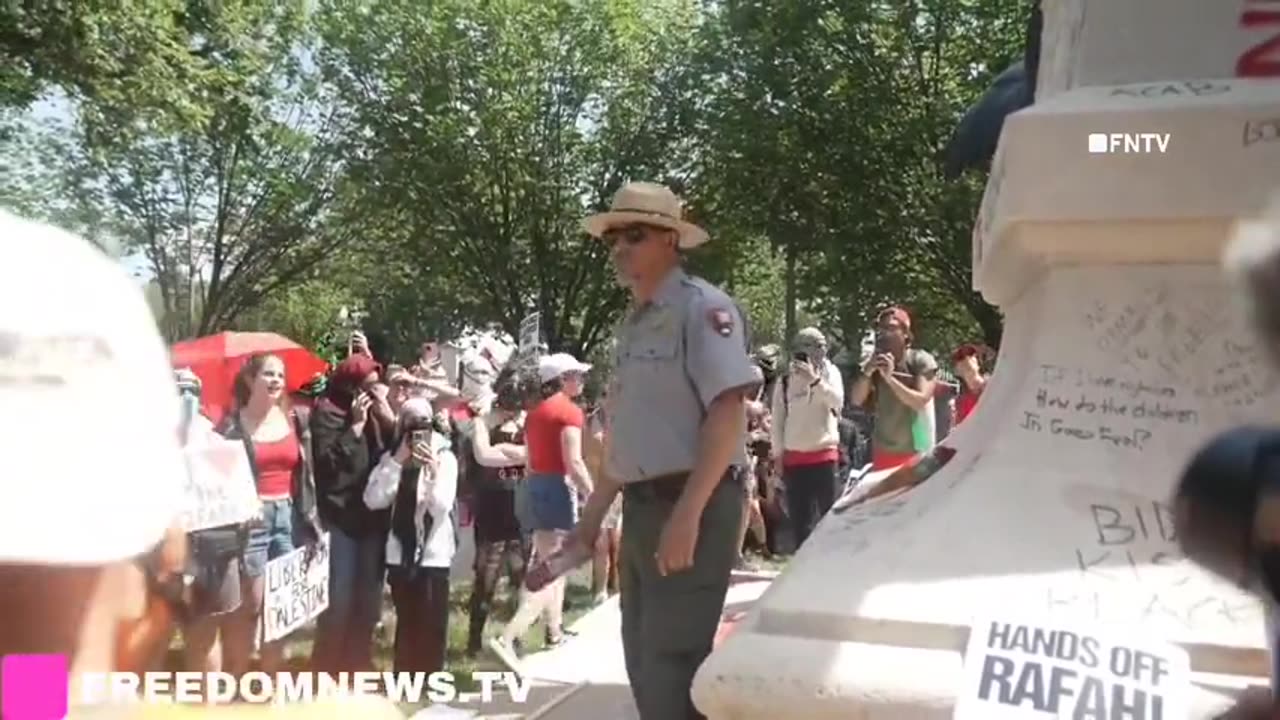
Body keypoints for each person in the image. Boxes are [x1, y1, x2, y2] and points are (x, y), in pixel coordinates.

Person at [570, 181, 756, 719]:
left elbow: (728, 413)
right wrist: (591, 521)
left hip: (691, 501)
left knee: (672, 665)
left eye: (635, 234)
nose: (620, 248)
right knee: (642, 660)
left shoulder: (703, 309)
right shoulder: (633, 324)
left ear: (671, 239)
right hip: (646, 506)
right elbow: (629, 434)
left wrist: (688, 513)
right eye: (612, 238)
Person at [210, 354, 322, 676]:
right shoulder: (230, 427)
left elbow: (307, 476)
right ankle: (236, 678)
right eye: (268, 374)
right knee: (249, 607)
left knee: (281, 607)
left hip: (288, 519)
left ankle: (273, 683)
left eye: (280, 375)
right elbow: (218, 478)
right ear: (250, 380)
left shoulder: (295, 418)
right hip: (250, 523)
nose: (275, 380)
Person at [488, 353, 594, 668]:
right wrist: (595, 494)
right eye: (577, 375)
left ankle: (554, 630)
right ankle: (508, 637)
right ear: (562, 379)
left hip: (535, 486)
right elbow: (573, 462)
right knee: (552, 569)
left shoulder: (534, 415)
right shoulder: (570, 413)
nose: (582, 380)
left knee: (550, 563)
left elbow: (531, 461)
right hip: (557, 488)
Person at [308, 354, 391, 675]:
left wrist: (384, 414)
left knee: (368, 598)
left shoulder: (379, 414)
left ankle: (358, 660)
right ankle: (327, 664)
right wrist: (354, 427)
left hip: (373, 518)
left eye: (376, 386)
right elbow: (327, 463)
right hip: (341, 517)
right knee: (339, 598)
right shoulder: (327, 413)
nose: (374, 393)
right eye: (367, 387)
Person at [364, 398, 458, 674]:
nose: (416, 433)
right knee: (408, 620)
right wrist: (397, 462)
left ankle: (431, 678)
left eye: (422, 424)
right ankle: (405, 677)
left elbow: (440, 507)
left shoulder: (445, 457)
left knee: (432, 622)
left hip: (434, 552)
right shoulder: (391, 458)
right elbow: (373, 500)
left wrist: (432, 471)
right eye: (409, 423)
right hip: (399, 551)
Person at [463, 372, 532, 656]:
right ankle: (473, 642)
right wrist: (516, 453)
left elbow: (537, 453)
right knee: (485, 579)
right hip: (491, 508)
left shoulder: (526, 421)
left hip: (520, 509)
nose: (510, 412)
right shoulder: (482, 422)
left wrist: (503, 448)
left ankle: (516, 637)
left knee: (522, 578)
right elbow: (483, 456)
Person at [769, 327, 845, 548]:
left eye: (822, 346)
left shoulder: (831, 374)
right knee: (801, 523)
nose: (819, 351)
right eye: (813, 346)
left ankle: (830, 562)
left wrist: (815, 381)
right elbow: (777, 421)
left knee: (829, 518)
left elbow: (837, 403)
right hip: (795, 460)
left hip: (825, 456)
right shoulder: (785, 381)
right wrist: (778, 456)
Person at [848, 306, 939, 470]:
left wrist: (890, 378)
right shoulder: (875, 363)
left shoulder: (920, 360)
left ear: (905, 333)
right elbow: (856, 399)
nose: (884, 333)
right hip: (883, 452)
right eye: (881, 329)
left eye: (890, 328)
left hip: (916, 452)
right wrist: (867, 372)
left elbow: (920, 401)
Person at [951, 343, 988, 426]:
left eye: (970, 354)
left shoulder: (992, 387)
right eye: (960, 357)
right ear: (957, 370)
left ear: (977, 362)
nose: (966, 358)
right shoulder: (960, 401)